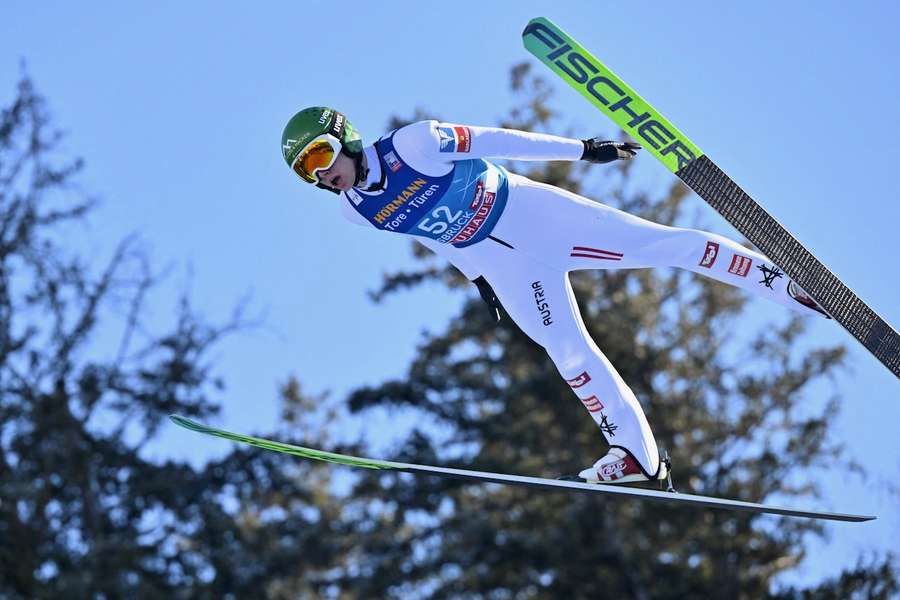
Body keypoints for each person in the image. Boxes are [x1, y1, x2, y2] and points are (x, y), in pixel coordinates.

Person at [280, 107, 830, 486]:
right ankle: (638, 455)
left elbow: (498, 140)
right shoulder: (358, 209)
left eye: (321, 155)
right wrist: (476, 277)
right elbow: (428, 233)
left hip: (531, 216)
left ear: (345, 136)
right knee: (566, 352)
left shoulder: (414, 144)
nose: (322, 174)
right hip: (503, 263)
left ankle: (783, 283)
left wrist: (581, 150)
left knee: (659, 246)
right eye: (306, 171)